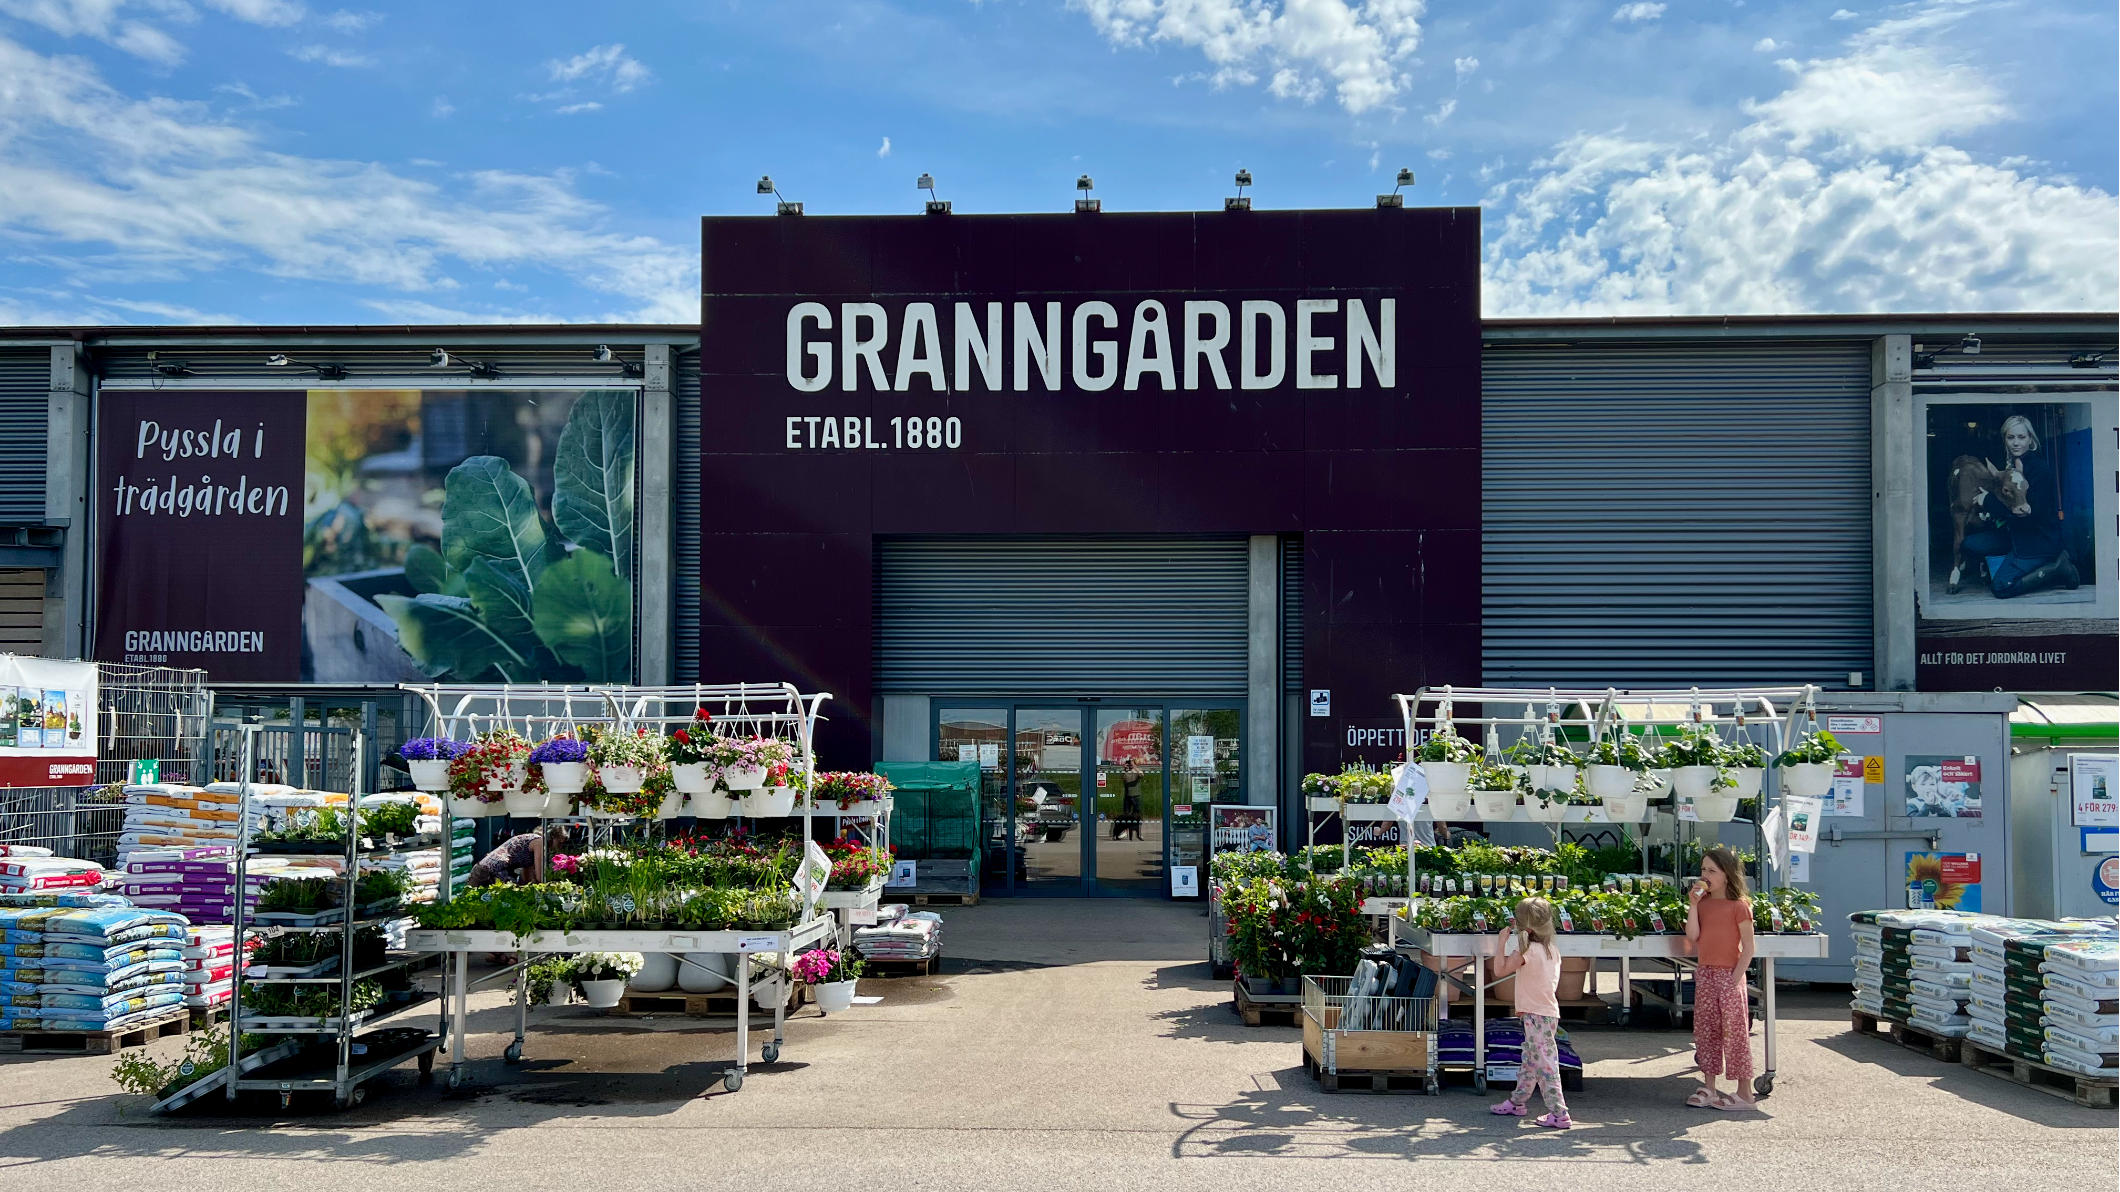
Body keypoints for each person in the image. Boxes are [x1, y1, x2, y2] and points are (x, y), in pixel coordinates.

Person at [1962, 413, 2079, 598]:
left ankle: (2057, 567)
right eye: (2011, 437)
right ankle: (2015, 561)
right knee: (1969, 545)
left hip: (2039, 540)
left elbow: (2029, 515)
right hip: (2016, 534)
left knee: (2001, 588)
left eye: (2021, 437)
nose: (2016, 443)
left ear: (2030, 440)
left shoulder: (2039, 470)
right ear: (2005, 440)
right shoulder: (2011, 466)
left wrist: (1988, 502)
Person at [1488, 896, 1571, 1129]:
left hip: (1534, 1014)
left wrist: (1501, 943)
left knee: (1544, 1062)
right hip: (1548, 1012)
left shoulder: (1526, 951)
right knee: (1531, 1059)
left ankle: (1559, 1113)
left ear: (1520, 924)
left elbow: (1499, 969)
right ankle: (1517, 1101)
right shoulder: (1552, 949)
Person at [1686, 844, 1758, 1110]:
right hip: (1705, 973)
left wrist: (1735, 978)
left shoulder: (1739, 907)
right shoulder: (1702, 903)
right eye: (1703, 869)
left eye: (1712, 871)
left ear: (1727, 874)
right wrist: (1693, 905)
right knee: (1706, 1032)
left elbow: (1749, 948)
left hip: (1729, 974)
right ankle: (1710, 1086)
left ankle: (1745, 1093)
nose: (1705, 875)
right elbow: (1693, 936)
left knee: (1735, 1033)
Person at [466, 830, 546, 888]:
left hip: (482, 867)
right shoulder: (539, 842)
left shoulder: (530, 841)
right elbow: (540, 877)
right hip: (495, 870)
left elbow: (527, 876)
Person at [1115, 758, 1144, 842]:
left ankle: (1138, 833)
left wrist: (1134, 766)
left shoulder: (1136, 773)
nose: (1130, 765)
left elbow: (1141, 775)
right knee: (1126, 814)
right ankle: (1125, 831)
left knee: (1137, 815)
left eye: (1131, 764)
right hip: (1128, 796)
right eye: (1129, 764)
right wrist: (1125, 769)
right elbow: (1123, 778)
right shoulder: (1126, 773)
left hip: (1136, 795)